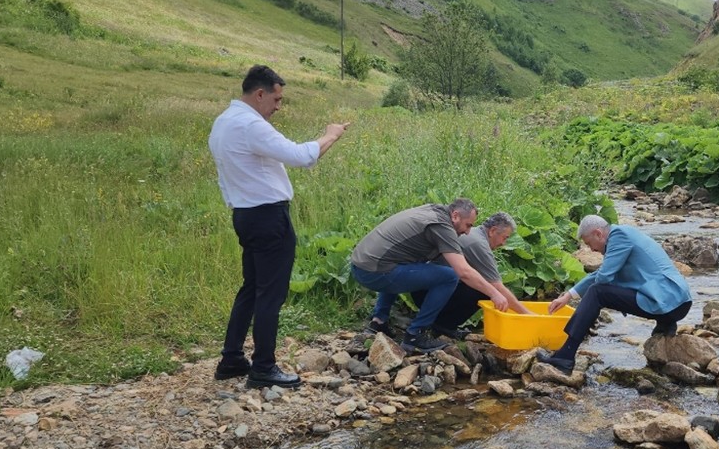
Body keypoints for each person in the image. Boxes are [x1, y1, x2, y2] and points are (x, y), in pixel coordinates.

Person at [209, 65, 349, 389]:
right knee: (271, 294)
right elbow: (300, 156)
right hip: (268, 216)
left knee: (251, 288)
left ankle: (231, 359)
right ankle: (263, 367)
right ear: (260, 94)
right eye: (277, 98)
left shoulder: (223, 123)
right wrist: (331, 135)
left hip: (244, 214)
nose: (278, 106)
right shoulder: (250, 125)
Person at [350, 198, 509, 353]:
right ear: (455, 216)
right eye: (467, 225)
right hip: (373, 272)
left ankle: (379, 321)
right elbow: (463, 272)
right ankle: (415, 335)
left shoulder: (432, 210)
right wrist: (494, 294)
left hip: (360, 265)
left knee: (397, 260)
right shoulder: (441, 227)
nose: (467, 231)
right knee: (450, 276)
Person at [538, 215, 692, 373]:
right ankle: (666, 325)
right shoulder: (625, 232)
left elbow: (603, 277)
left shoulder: (619, 237)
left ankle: (565, 355)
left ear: (598, 233)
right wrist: (568, 295)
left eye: (589, 243)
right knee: (598, 289)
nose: (591, 249)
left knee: (597, 292)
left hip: (668, 303)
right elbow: (602, 272)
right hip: (677, 302)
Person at [411, 212, 532, 339]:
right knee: (486, 290)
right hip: (428, 293)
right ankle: (443, 325)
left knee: (480, 284)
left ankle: (442, 325)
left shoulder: (475, 233)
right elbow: (497, 286)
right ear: (493, 231)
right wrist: (527, 315)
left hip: (428, 288)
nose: (504, 243)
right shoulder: (478, 245)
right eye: (504, 237)